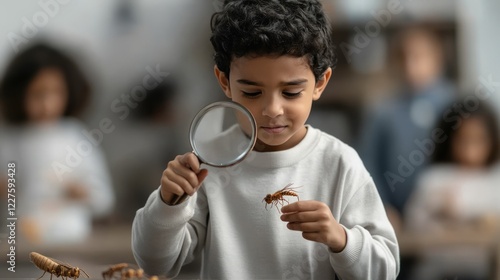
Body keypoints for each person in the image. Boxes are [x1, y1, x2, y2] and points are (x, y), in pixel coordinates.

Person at [132, 1, 399, 279]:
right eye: (252, 92)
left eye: (291, 92)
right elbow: (156, 264)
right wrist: (167, 205)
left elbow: (385, 271)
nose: (272, 110)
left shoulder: (340, 163)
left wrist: (342, 240)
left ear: (320, 83)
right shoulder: (208, 161)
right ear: (224, 82)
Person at [0, 43, 115, 245]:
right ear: (19, 94)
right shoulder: (11, 139)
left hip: (70, 237)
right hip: (21, 238)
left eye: (56, 92)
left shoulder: (74, 136)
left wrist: (81, 192)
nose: (47, 104)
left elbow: (103, 199)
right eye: (37, 94)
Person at [357, 24, 456, 231]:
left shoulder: (456, 104)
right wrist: (382, 205)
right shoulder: (383, 111)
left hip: (448, 215)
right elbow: (368, 162)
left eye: (419, 57)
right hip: (396, 219)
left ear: (437, 59)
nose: (411, 66)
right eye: (404, 58)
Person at [404, 99, 500, 279]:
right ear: (449, 139)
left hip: (480, 272)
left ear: (492, 141)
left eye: (479, 140)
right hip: (436, 269)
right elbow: (413, 221)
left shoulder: (494, 180)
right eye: (463, 139)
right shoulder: (435, 179)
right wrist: (440, 212)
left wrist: (467, 213)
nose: (471, 150)